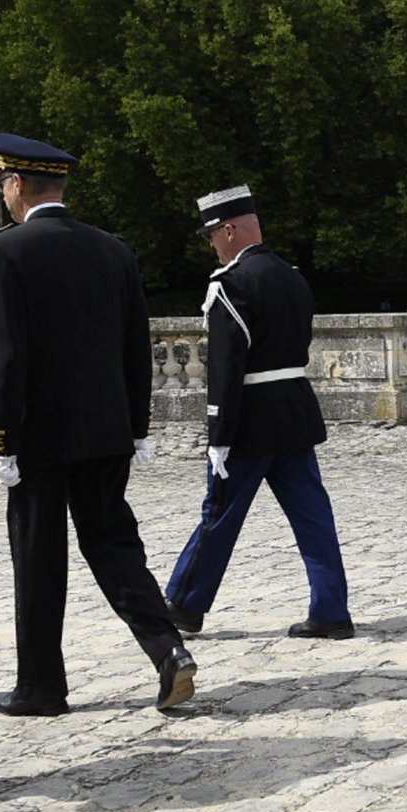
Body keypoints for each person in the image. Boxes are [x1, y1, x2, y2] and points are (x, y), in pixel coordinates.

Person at [0, 132, 196, 715]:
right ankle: (168, 649)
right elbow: (134, 346)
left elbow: (3, 357)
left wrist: (2, 440)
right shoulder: (113, 249)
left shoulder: (3, 252)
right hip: (107, 430)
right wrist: (138, 427)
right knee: (115, 544)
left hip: (39, 437)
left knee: (38, 557)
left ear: (17, 185)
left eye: (3, 185)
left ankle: (42, 686)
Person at [164, 184, 355, 639]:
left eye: (212, 235)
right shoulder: (292, 277)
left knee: (220, 513)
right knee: (313, 515)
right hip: (294, 411)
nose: (212, 244)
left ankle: (185, 605)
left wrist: (218, 435)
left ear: (229, 229)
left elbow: (226, 368)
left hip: (250, 418)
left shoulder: (229, 284)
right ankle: (331, 610)